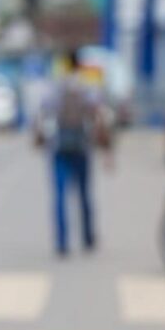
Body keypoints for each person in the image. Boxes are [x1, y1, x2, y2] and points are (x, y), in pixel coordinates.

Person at [41, 60, 112, 257]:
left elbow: (42, 115)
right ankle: (88, 238)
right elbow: (99, 118)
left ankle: (62, 242)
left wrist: (40, 139)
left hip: (59, 148)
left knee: (60, 196)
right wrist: (107, 151)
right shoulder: (87, 90)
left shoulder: (55, 89)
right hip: (82, 148)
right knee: (84, 195)